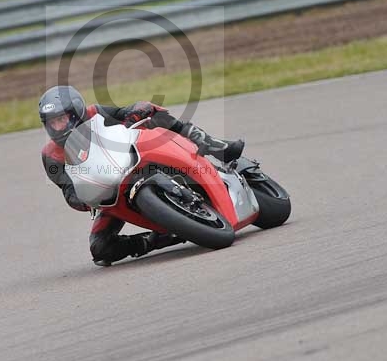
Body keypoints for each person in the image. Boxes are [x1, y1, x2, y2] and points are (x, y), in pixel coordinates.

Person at [39, 85, 244, 267]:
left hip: (134, 160)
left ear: (76, 113)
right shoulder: (51, 156)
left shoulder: (96, 113)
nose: (57, 126)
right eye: (52, 122)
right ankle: (158, 238)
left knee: (155, 115)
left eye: (62, 119)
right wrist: (86, 199)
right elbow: (68, 191)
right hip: (108, 195)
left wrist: (135, 114)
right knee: (100, 249)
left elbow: (129, 110)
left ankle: (213, 144)